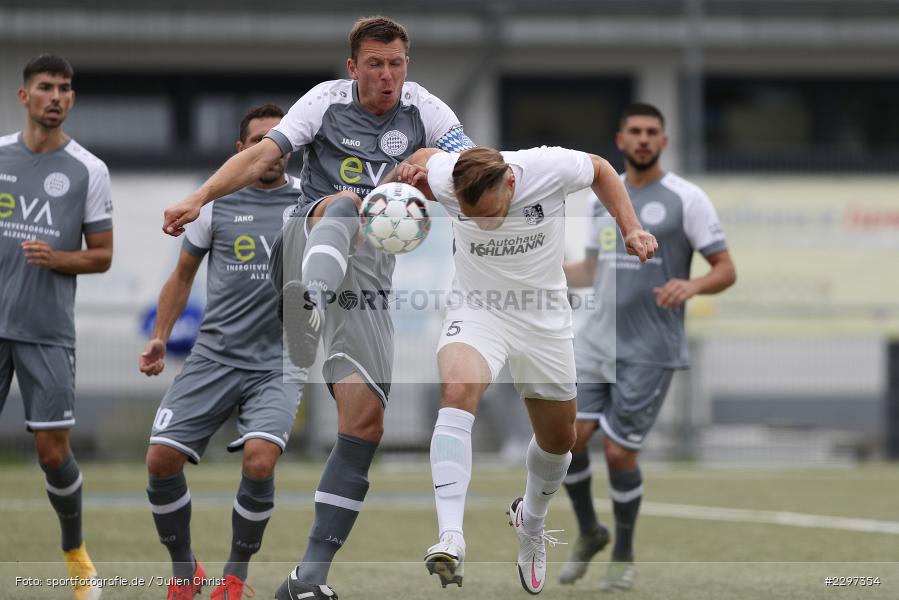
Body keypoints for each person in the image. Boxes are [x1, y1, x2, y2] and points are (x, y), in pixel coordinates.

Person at [160, 16, 474, 600]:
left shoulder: (427, 109)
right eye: (375, 64)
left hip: (368, 281)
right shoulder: (323, 103)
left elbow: (475, 167)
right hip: (306, 240)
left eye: (396, 63)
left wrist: (435, 160)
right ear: (352, 67)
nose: (387, 74)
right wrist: (199, 196)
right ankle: (305, 306)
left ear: (408, 66)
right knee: (347, 203)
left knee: (364, 426)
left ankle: (307, 580)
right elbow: (262, 157)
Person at [388, 145, 657, 594]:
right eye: (470, 215)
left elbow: (602, 169)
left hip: (543, 317)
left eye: (489, 214)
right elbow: (424, 155)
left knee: (559, 441)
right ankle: (450, 537)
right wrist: (396, 186)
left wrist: (631, 229)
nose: (481, 225)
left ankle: (530, 522)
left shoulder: (546, 168)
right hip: (477, 310)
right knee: (457, 391)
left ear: (511, 183)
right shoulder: (446, 178)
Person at [558, 103, 736, 592]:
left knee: (618, 453)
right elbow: (593, 270)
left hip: (650, 347)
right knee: (567, 442)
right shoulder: (603, 196)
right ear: (620, 140)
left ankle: (623, 555)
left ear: (663, 142)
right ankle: (591, 531)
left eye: (651, 132)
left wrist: (692, 287)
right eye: (634, 131)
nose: (642, 139)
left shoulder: (687, 199)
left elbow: (726, 268)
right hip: (595, 341)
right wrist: (544, 273)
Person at [140, 103, 304, 600]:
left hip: (278, 362)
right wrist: (160, 337)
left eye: (275, 140)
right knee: (159, 460)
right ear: (241, 150)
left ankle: (234, 578)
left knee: (259, 461)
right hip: (213, 356)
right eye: (256, 141)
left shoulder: (309, 202)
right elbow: (182, 276)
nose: (266, 150)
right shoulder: (216, 203)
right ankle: (184, 572)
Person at [0, 54, 112, 600]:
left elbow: (103, 256)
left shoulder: (88, 169)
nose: (56, 97)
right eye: (45, 87)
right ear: (25, 96)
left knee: (51, 453)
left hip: (46, 330)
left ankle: (74, 553)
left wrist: (58, 257)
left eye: (65, 89)